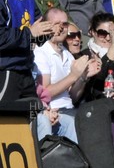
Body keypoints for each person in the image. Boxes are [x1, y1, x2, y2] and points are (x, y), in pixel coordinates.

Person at [34, 8, 101, 143]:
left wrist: (83, 77)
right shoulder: (41, 51)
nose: (60, 28)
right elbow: (45, 92)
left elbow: (72, 96)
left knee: (98, 120)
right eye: (55, 23)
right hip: (53, 111)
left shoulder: (67, 54)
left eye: (64, 24)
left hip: (69, 109)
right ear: (46, 25)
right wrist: (73, 76)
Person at [0, 0, 55, 101]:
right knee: (5, 120)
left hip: (26, 69)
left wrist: (48, 30)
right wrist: (30, 33)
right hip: (6, 71)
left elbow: (36, 30)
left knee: (33, 116)